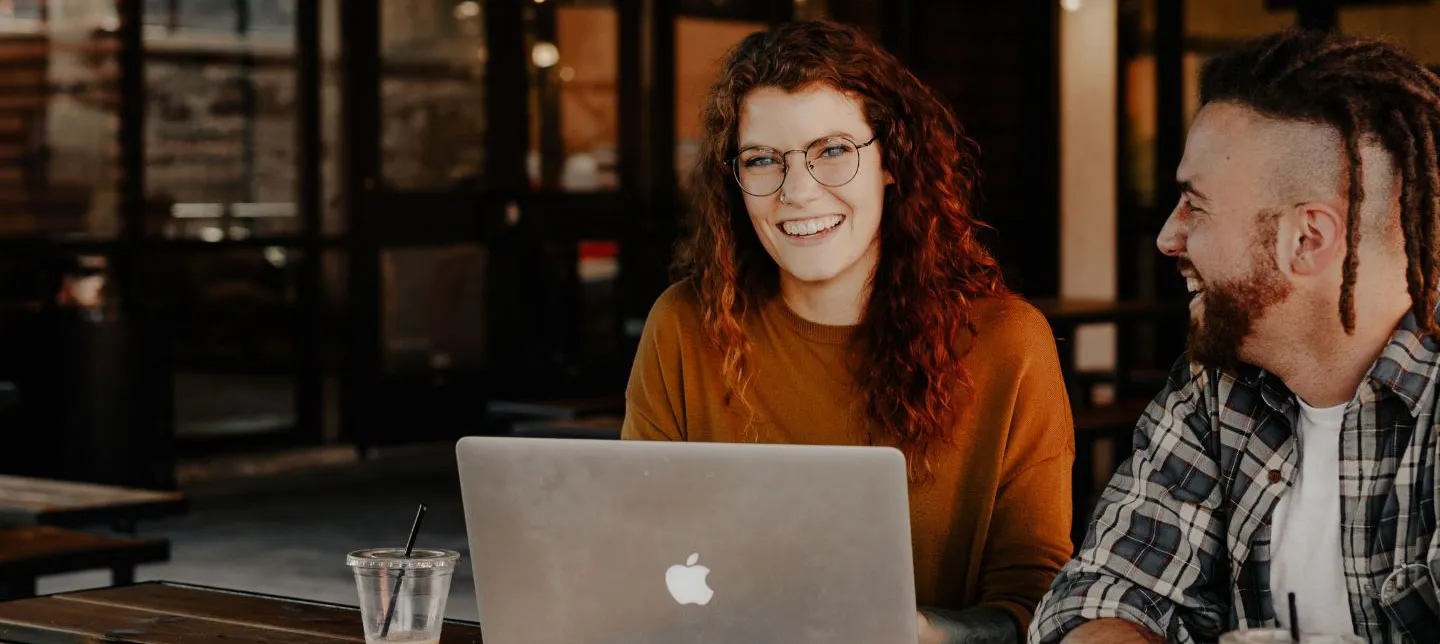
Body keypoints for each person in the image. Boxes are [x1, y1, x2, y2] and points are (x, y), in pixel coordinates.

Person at [621, 19, 1074, 644]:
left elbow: (1037, 601)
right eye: (762, 160)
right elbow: (627, 557)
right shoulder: (684, 326)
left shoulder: (1009, 345)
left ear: (891, 161)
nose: (798, 192)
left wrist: (924, 633)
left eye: (833, 150)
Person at [1031, 28, 1440, 644]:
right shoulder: (1217, 385)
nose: (1168, 237)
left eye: (1196, 206)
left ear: (1306, 240)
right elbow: (1100, 594)